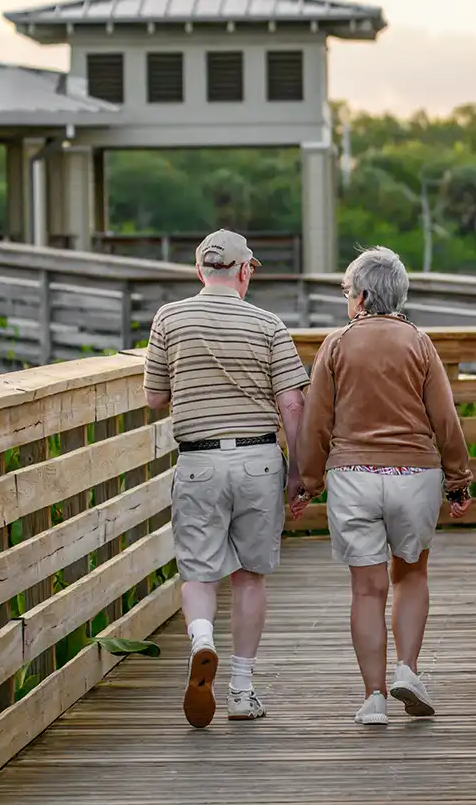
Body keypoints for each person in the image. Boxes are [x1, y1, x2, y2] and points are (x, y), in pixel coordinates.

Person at [293, 246, 472, 726]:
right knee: (410, 575)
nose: (347, 301)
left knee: (367, 591)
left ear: (363, 296)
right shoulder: (419, 343)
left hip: (352, 478)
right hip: (414, 475)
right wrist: (458, 479)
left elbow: (316, 422)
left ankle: (374, 698)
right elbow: (445, 419)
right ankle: (408, 670)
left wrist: (307, 482)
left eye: (348, 293)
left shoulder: (335, 345)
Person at [143, 229, 308, 728]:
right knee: (249, 576)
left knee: (198, 571)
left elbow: (154, 398)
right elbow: (293, 404)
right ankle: (241, 689)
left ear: (200, 271)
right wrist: (299, 473)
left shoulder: (169, 318)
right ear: (243, 271)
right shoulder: (269, 323)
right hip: (258, 460)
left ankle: (201, 639)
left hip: (198, 461)